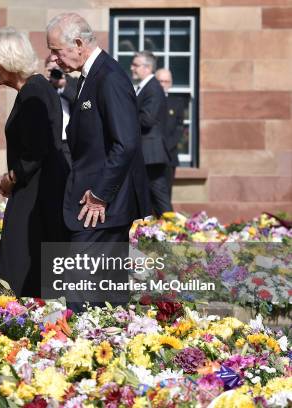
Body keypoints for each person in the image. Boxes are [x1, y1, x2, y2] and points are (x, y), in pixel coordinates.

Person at [46, 13, 151, 309]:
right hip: (96, 205)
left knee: (80, 292)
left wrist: (100, 196)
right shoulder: (90, 76)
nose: (54, 59)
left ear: (78, 44)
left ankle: (82, 349)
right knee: (107, 295)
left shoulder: (109, 77)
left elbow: (126, 142)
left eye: (56, 50)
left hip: (101, 207)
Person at [0, 28, 69, 297]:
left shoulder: (34, 92)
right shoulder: (36, 89)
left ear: (8, 60)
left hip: (36, 192)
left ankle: (17, 315)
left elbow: (36, 149)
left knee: (16, 259)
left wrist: (12, 178)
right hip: (36, 189)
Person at [130, 51, 173, 216]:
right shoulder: (145, 87)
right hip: (146, 153)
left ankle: (175, 234)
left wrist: (125, 118)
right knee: (149, 196)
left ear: (147, 68)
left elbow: (147, 119)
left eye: (136, 65)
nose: (132, 68)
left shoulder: (153, 88)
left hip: (151, 154)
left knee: (159, 196)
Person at [155, 68, 185, 203]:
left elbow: (179, 128)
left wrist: (166, 146)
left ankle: (166, 224)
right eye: (160, 81)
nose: (163, 84)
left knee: (166, 193)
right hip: (150, 155)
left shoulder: (177, 103)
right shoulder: (148, 102)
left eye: (166, 81)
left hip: (169, 155)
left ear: (171, 83)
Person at [45, 55, 77, 166]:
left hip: (68, 140)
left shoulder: (73, 82)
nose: (54, 73)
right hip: (49, 140)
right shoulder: (42, 87)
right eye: (50, 70)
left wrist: (62, 86)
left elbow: (77, 101)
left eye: (56, 70)